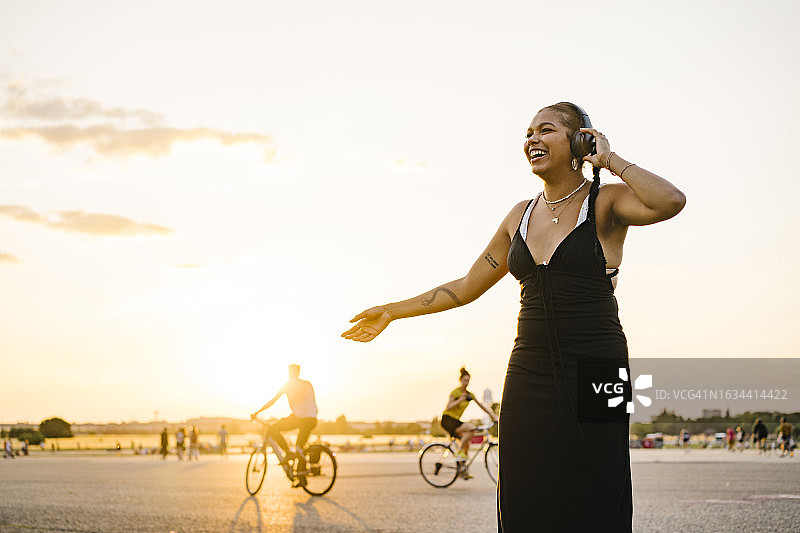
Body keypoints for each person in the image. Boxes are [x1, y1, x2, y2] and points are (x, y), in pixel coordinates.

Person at [342, 102, 685, 531]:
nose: (532, 140)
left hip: (600, 364)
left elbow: (671, 201)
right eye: (528, 133)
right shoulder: (519, 215)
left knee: (599, 482)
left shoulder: (607, 202)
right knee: (524, 489)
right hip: (529, 369)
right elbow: (466, 286)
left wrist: (609, 159)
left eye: (546, 130)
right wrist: (391, 312)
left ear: (580, 140)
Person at [251, 364, 318, 488]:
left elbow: (273, 401)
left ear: (291, 373)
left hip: (300, 418)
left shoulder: (289, 385)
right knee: (300, 447)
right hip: (312, 419)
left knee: (273, 429)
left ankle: (287, 452)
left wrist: (257, 412)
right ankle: (301, 478)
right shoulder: (307, 384)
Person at [441, 367, 498, 478]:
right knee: (472, 428)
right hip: (448, 419)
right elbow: (448, 407)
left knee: (467, 444)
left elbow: (482, 406)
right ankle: (459, 453)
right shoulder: (456, 392)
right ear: (460, 380)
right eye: (464, 380)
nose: (466, 383)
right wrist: (460, 400)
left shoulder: (470, 395)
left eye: (468, 381)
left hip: (456, 421)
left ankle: (462, 471)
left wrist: (494, 416)